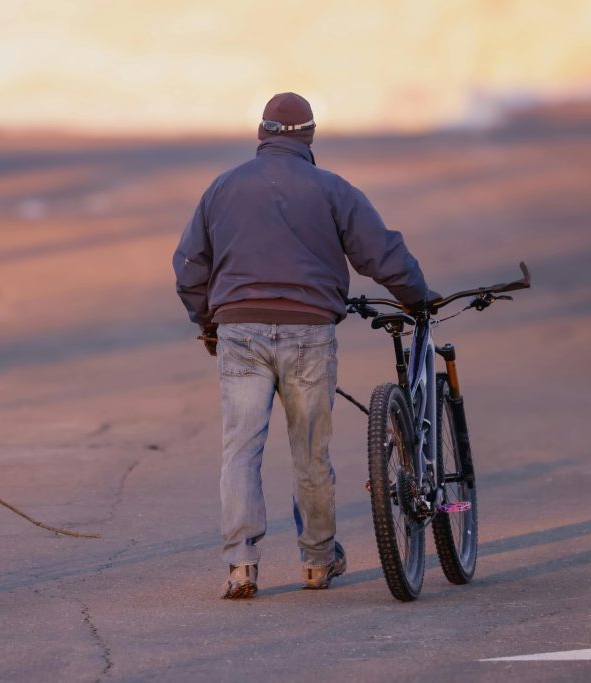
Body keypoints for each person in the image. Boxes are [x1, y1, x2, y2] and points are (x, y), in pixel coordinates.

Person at [172, 92, 435, 599]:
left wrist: (207, 321)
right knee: (310, 452)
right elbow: (380, 253)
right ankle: (317, 561)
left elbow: (189, 265)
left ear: (261, 134)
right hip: (309, 334)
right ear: (311, 136)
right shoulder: (333, 189)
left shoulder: (222, 188)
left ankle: (241, 565)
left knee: (240, 451)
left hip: (240, 331)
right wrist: (417, 296)